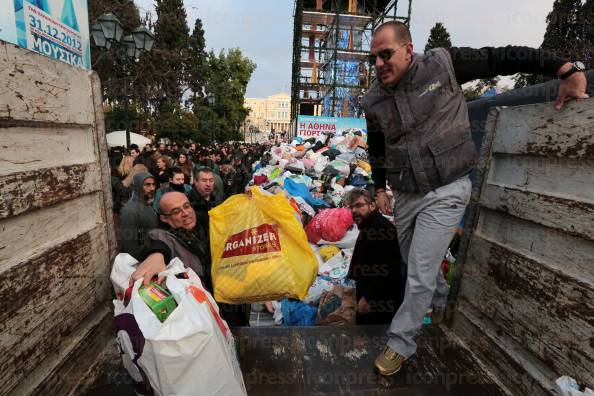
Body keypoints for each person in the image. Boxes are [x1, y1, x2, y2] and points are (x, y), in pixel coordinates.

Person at [365, 21, 588, 376]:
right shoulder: (373, 99)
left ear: (409, 49)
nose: (378, 64)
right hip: (406, 195)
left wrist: (565, 67)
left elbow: (502, 58)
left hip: (448, 189)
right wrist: (379, 188)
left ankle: (400, 343)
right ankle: (443, 305)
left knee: (420, 274)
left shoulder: (444, 64)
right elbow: (377, 146)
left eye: (386, 54)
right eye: (373, 57)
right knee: (415, 267)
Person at [131, 192, 250, 326]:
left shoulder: (207, 226)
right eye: (176, 211)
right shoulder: (164, 237)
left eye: (187, 206)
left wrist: (247, 198)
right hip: (204, 318)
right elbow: (157, 244)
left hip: (232, 307)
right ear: (164, 218)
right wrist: (157, 254)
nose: (185, 213)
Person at [345, 189, 406, 325]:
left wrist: (368, 298)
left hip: (380, 301)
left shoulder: (380, 228)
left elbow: (387, 268)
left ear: (372, 206)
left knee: (373, 335)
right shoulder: (369, 225)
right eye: (352, 207)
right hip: (375, 296)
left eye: (359, 205)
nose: (354, 210)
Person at [119, 172, 158, 259]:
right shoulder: (130, 211)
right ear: (138, 186)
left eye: (153, 184)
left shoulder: (146, 202)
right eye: (147, 185)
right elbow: (129, 245)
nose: (152, 188)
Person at [188, 167, 223, 234]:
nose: (208, 184)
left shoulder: (220, 197)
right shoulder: (188, 201)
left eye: (211, 180)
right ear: (196, 182)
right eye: (204, 180)